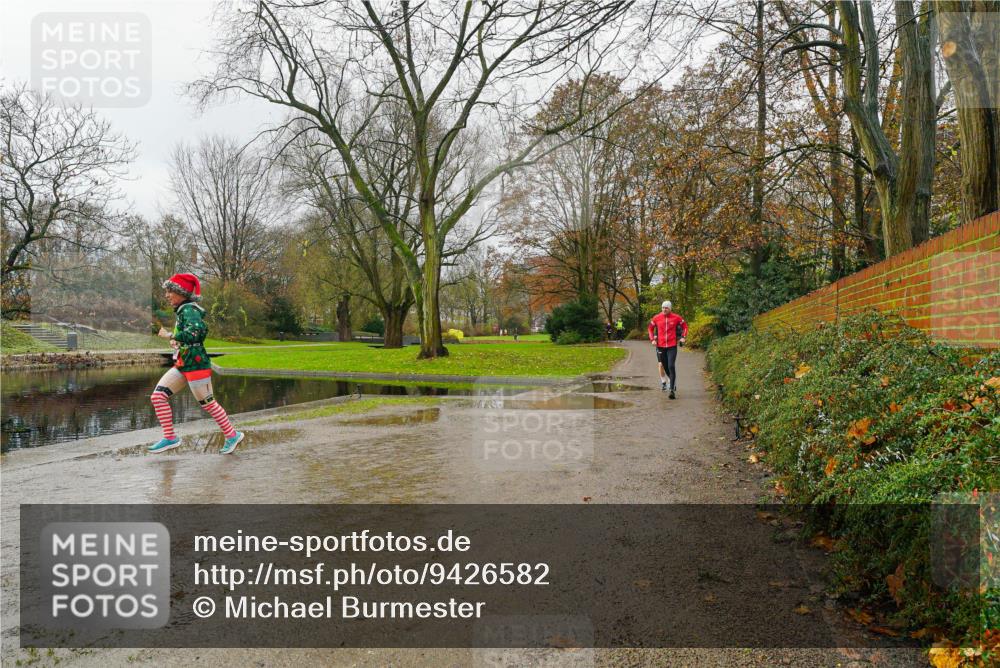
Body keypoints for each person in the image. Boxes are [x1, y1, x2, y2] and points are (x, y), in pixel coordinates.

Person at [148, 273, 245, 455]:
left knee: (208, 404)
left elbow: (197, 334)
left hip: (196, 364)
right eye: (167, 291)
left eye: (170, 291)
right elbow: (189, 336)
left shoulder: (189, 310)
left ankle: (232, 435)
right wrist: (177, 341)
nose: (167, 295)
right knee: (158, 396)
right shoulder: (183, 310)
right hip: (184, 363)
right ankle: (170, 437)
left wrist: (171, 335)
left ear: (181, 292)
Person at [648, 300, 688, 399]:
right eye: (663, 307)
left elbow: (685, 326)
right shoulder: (657, 318)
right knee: (664, 366)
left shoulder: (676, 317)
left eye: (666, 308)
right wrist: (652, 339)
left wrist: (683, 336)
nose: (664, 309)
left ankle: (671, 390)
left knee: (671, 366)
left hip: (672, 346)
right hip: (661, 346)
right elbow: (650, 328)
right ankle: (672, 382)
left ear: (670, 308)